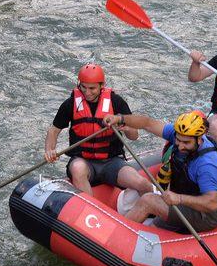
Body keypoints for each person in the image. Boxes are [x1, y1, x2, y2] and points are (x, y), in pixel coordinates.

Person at [103, 110, 217, 232]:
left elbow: (212, 203)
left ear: (199, 139)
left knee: (148, 201)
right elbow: (147, 123)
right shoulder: (180, 134)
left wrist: (179, 199)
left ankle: (114, 234)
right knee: (144, 202)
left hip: (203, 214)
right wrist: (120, 119)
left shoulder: (208, 164)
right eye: (178, 140)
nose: (180, 146)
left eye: (186, 143)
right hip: (181, 201)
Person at [44, 63, 153, 196]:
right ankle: (90, 211)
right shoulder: (71, 104)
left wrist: (125, 127)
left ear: (102, 85)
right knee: (77, 169)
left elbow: (134, 136)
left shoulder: (116, 102)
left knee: (143, 184)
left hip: (112, 161)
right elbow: (53, 130)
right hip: (82, 161)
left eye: (92, 88)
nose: (87, 92)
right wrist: (50, 150)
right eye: (83, 87)